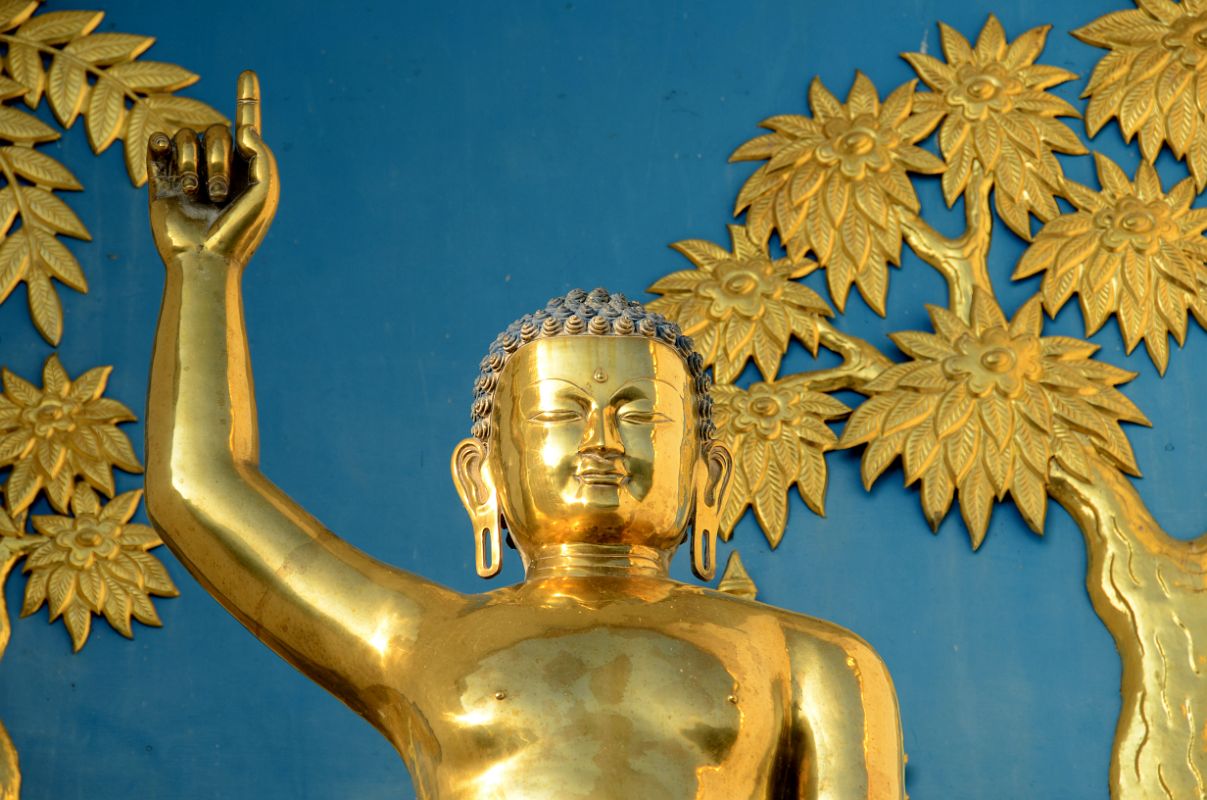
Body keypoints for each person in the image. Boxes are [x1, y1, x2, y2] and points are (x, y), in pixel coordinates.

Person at [144, 71, 904, 799]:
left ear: (707, 475)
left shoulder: (809, 662)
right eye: (558, 415)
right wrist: (205, 266)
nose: (600, 440)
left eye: (639, 416)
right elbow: (198, 489)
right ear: (482, 477)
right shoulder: (420, 640)